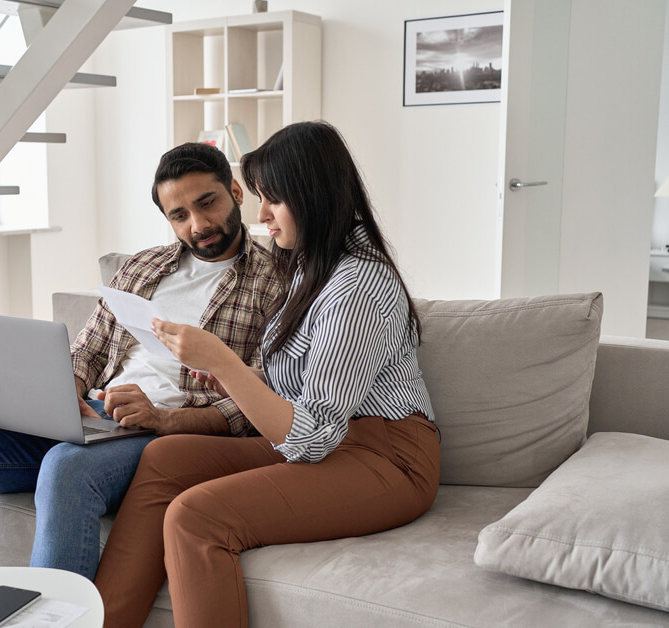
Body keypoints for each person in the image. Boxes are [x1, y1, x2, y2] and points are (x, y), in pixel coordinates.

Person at [0, 142, 282, 581]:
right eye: (179, 215)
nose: (198, 225)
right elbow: (86, 352)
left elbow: (255, 403)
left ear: (236, 192)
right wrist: (62, 388)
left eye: (208, 203)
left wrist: (162, 419)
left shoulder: (276, 282)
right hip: (92, 416)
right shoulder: (142, 268)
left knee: (66, 468)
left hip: (165, 433)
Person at [93, 121, 442, 627]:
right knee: (166, 456)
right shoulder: (310, 265)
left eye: (272, 200)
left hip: (386, 458)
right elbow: (302, 386)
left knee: (196, 518)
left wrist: (224, 364)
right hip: (336, 440)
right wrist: (238, 380)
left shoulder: (359, 283)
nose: (260, 216)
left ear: (312, 195)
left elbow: (313, 438)